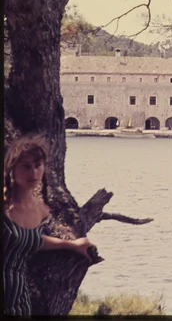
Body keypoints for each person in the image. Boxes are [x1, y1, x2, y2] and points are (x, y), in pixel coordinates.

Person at [3, 133, 95, 316]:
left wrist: (72, 245)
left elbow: (34, 240)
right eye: (26, 167)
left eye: (38, 166)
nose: (34, 172)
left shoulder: (40, 209)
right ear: (11, 169)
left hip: (17, 299)